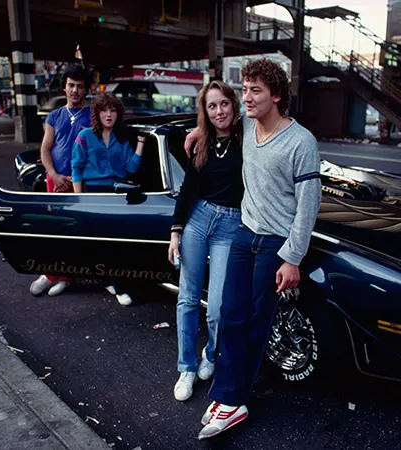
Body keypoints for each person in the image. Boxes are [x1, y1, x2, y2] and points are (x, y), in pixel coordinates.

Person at [185, 58, 322, 440]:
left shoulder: (301, 141)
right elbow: (216, 120)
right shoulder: (246, 126)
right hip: (245, 234)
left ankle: (233, 400)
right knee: (229, 314)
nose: (245, 97)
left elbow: (309, 203)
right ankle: (229, 395)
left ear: (276, 95)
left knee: (255, 321)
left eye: (254, 90)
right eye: (244, 89)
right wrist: (197, 132)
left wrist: (292, 257)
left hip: (276, 243)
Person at [168, 80, 244, 402]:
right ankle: (186, 367)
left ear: (233, 105)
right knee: (187, 298)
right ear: (205, 111)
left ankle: (210, 354)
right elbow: (189, 188)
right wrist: (176, 231)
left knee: (218, 307)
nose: (218, 111)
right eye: (211, 106)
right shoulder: (201, 142)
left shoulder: (248, 138)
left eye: (223, 104)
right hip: (198, 220)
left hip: (230, 224)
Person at [71, 92, 147, 305]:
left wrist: (140, 144)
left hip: (118, 192)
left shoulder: (121, 138)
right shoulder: (85, 136)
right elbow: (76, 168)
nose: (109, 114)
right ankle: (108, 281)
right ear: (97, 113)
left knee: (118, 243)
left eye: (113, 110)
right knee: (100, 243)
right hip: (93, 192)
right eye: (104, 110)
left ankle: (119, 286)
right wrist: (80, 200)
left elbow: (131, 168)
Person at [29, 64, 91, 297]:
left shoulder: (92, 114)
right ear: (64, 87)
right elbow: (45, 149)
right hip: (54, 179)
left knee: (72, 230)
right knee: (51, 228)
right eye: (71, 85)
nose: (75, 90)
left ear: (86, 90)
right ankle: (51, 274)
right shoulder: (54, 116)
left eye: (80, 86)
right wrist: (53, 175)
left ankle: (66, 276)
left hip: (80, 182)